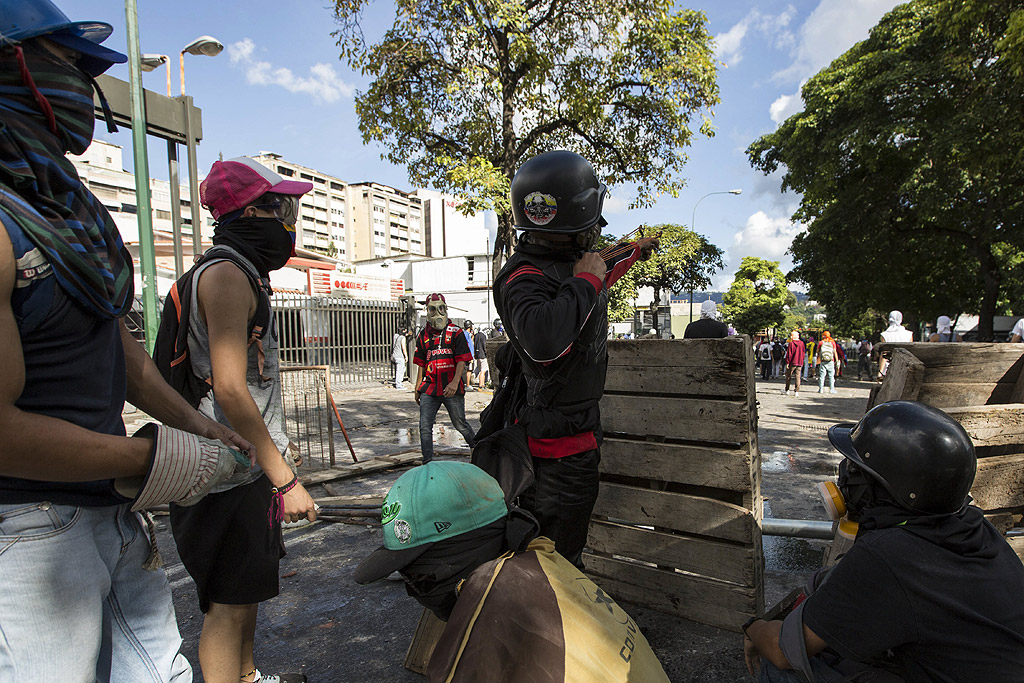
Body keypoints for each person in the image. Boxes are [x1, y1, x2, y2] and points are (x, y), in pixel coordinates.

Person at [0, 3, 254, 679]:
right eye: (67, 67)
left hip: (107, 515)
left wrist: (200, 429)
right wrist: (153, 457)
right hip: (26, 535)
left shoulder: (67, 214)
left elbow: (125, 358)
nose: (84, 89)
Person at [743, 400, 1024, 682]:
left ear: (882, 487)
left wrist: (753, 628)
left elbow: (782, 650)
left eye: (855, 469)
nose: (845, 475)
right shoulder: (975, 528)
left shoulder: (889, 556)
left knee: (780, 670)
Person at [167, 157, 317, 683]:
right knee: (227, 606)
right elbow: (230, 388)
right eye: (279, 208)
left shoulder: (241, 271)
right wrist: (287, 479)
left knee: (247, 590)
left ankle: (250, 677)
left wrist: (275, 460)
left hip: (246, 466)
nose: (287, 220)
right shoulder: (228, 275)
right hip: (223, 469)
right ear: (251, 211)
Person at [354, 461, 671, 683]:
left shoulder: (488, 621)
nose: (414, 592)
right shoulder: (540, 558)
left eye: (420, 579)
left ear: (461, 552)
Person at [492, 150, 657, 568]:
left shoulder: (568, 265)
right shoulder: (522, 277)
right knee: (557, 558)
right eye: (590, 225)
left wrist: (634, 250)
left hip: (575, 436)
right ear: (573, 225)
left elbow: (600, 271)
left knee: (566, 548)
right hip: (554, 453)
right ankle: (559, 627)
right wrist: (585, 280)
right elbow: (545, 341)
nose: (596, 234)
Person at [414, 293, 477, 462]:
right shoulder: (423, 335)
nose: (437, 313)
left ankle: (478, 452)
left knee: (460, 424)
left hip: (451, 388)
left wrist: (455, 382)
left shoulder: (455, 333)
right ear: (427, 311)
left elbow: (462, 360)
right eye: (433, 309)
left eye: (441, 308)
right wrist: (417, 387)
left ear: (446, 309)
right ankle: (427, 462)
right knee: (425, 427)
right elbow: (421, 363)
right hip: (429, 388)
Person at [781, 330, 805, 396]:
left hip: (792, 362)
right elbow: (803, 353)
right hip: (799, 362)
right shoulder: (802, 343)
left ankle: (787, 389)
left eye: (791, 335)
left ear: (793, 336)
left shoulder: (791, 343)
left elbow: (789, 354)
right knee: (798, 376)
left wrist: (788, 362)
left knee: (788, 376)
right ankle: (796, 391)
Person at [472, 321, 489, 389]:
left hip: (477, 355)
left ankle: (474, 375)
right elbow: (484, 345)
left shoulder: (476, 335)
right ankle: (481, 384)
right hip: (482, 355)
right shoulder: (483, 336)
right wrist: (486, 353)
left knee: (479, 369)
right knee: (483, 370)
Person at [462, 319, 476, 390]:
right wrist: (470, 356)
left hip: (469, 355)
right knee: (469, 370)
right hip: (469, 355)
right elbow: (467, 345)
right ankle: (467, 385)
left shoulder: (467, 334)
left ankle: (467, 384)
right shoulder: (466, 334)